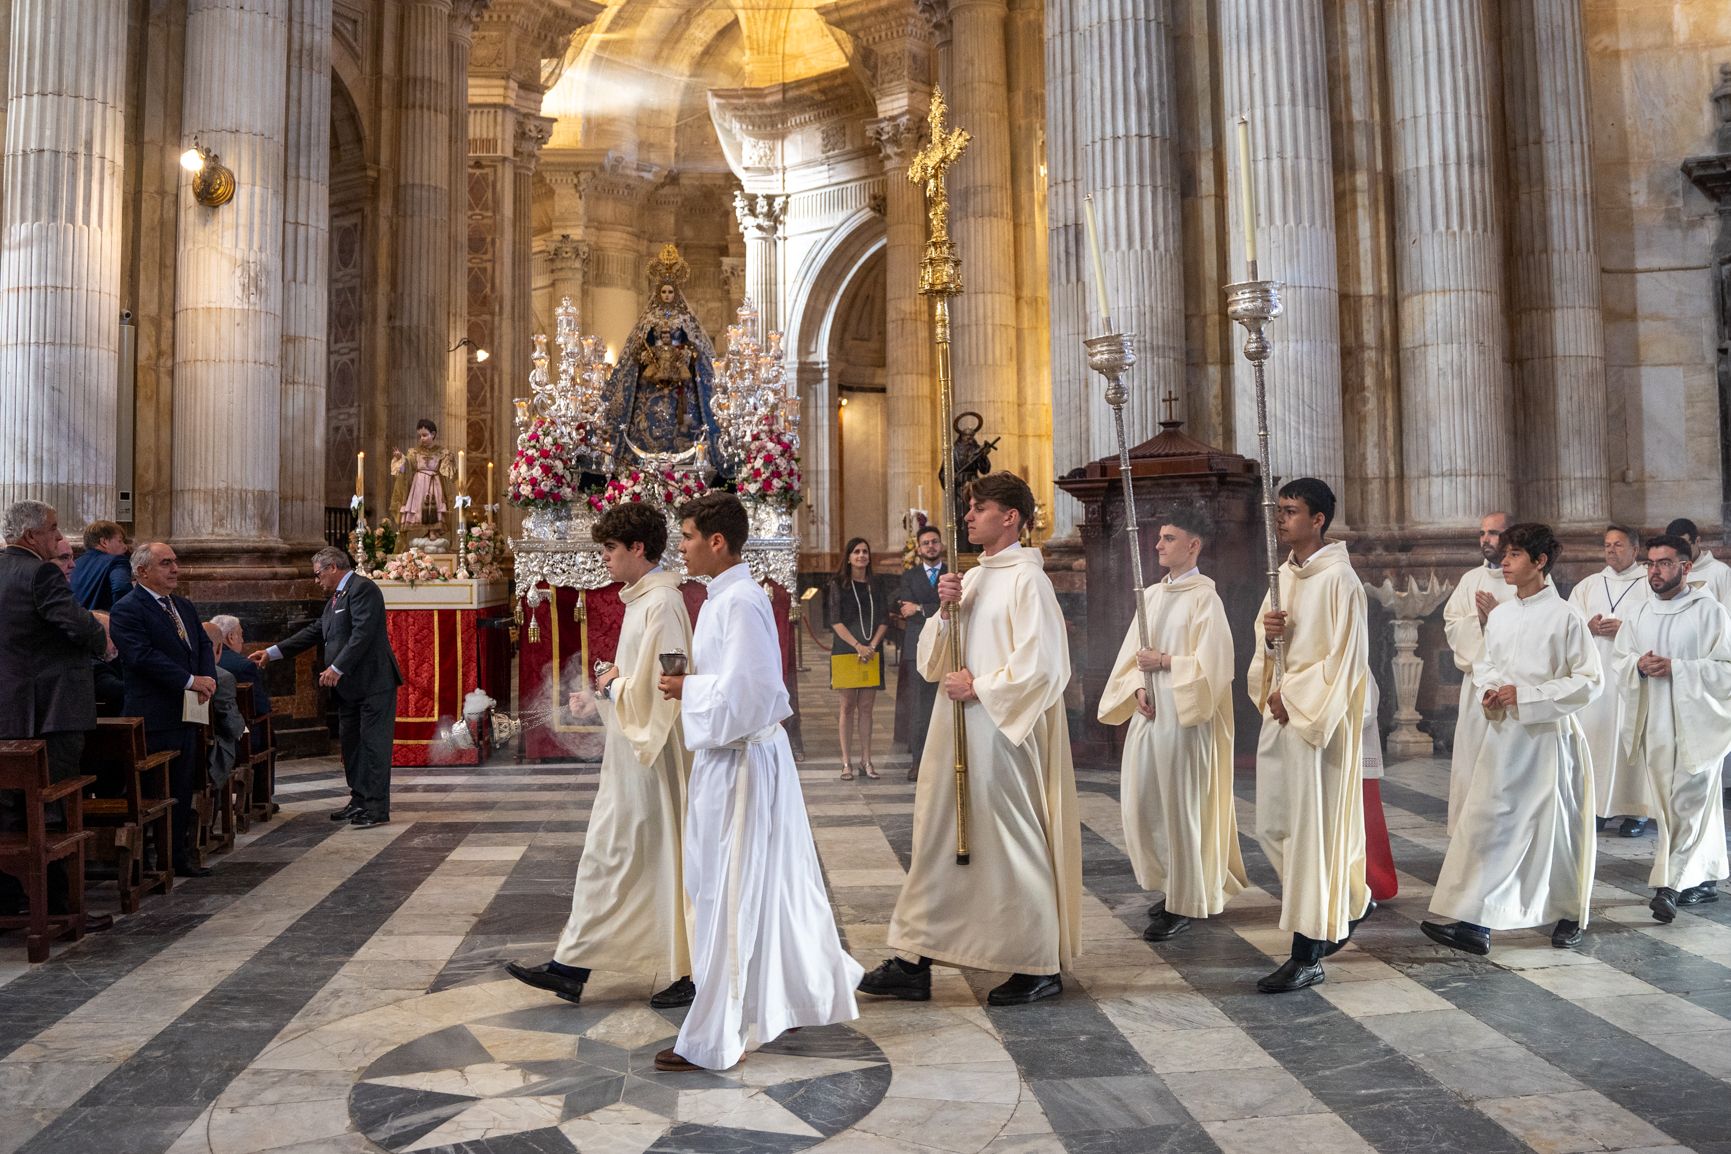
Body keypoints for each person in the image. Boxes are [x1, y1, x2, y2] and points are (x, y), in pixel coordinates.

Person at [652, 492, 861, 1072]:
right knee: (731, 887)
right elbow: (734, 682)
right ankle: (781, 998)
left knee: (729, 893)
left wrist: (686, 690)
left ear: (718, 542)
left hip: (741, 764)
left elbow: (748, 697)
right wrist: (695, 686)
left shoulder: (741, 601)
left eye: (690, 535)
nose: (684, 545)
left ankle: (714, 1036)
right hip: (731, 760)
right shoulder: (724, 597)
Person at [858, 472, 1081, 1007]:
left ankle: (1037, 961)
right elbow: (934, 663)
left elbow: (1047, 668)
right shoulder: (975, 578)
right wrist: (946, 609)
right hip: (954, 730)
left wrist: (981, 687)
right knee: (939, 838)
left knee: (1010, 841)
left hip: (1001, 735)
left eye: (980, 508)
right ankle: (915, 958)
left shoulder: (1030, 580)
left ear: (1011, 518)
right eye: (969, 507)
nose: (969, 516)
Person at [505, 502, 695, 1008]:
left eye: (611, 549)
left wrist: (614, 688)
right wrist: (602, 694)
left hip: (650, 758)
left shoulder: (662, 603)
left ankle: (681, 968)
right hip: (631, 754)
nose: (604, 560)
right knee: (620, 856)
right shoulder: (643, 599)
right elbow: (634, 676)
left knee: (635, 855)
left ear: (638, 548)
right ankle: (574, 965)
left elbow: (669, 684)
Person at [1423, 523, 1601, 956]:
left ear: (1540, 562)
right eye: (1504, 553)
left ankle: (1568, 913)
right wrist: (1490, 689)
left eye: (1515, 554)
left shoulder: (1565, 616)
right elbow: (1486, 664)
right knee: (1489, 823)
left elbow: (1589, 681)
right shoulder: (1500, 615)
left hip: (1547, 738)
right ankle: (1475, 921)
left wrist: (1528, 696)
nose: (1504, 562)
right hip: (1504, 736)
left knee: (1553, 830)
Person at [1096, 507, 1244, 942]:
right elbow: (1130, 657)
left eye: (1168, 538)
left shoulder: (1205, 598)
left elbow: (1216, 667)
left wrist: (1164, 663)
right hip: (1151, 714)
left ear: (1193, 545)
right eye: (1159, 537)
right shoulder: (1153, 596)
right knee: (1147, 803)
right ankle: (1172, 885)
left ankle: (1188, 899)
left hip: (1184, 720)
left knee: (1182, 807)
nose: (1158, 545)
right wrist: (1136, 688)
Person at [1250, 478, 1372, 993]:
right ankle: (1348, 901)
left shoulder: (1340, 580)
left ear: (1318, 519)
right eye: (1279, 510)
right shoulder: (1284, 576)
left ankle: (1307, 953)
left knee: (1311, 837)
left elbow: (1345, 662)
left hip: (1317, 723)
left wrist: (1293, 694)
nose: (1281, 519)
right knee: (1274, 828)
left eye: (1292, 511)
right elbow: (1268, 648)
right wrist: (1268, 638)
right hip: (1281, 717)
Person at [0, 501, 111, 927]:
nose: (57, 535)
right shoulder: (41, 572)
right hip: (51, 712)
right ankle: (61, 905)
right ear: (31, 536)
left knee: (7, 808)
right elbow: (74, 623)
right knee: (56, 807)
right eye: (53, 528)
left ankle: (9, 899)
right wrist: (99, 638)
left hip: (9, 713)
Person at [1611, 534, 1731, 922]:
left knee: (1687, 802)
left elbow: (1727, 669)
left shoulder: (1709, 612)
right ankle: (1707, 877)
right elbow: (1620, 658)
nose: (1655, 571)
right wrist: (1637, 667)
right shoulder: (1640, 612)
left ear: (1686, 567)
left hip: (1701, 724)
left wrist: (1678, 668)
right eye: (1650, 564)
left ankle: (1670, 886)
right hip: (1656, 722)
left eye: (1663, 563)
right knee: (1675, 805)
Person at [251, 547, 403, 828]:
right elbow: (315, 631)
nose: (317, 580)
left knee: (373, 747)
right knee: (352, 746)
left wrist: (337, 667)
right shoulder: (335, 598)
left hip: (373, 683)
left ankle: (376, 808)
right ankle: (359, 801)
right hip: (348, 688)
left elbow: (363, 633)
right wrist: (272, 652)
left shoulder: (363, 589)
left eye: (319, 574)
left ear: (333, 567)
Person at [110, 542, 218, 877]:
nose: (175, 569)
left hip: (187, 709)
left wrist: (208, 679)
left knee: (183, 784)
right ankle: (154, 857)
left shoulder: (181, 605)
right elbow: (141, 657)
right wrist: (189, 680)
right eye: (165, 563)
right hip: (154, 711)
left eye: (175, 562)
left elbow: (201, 644)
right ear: (142, 571)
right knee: (160, 787)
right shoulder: (128, 608)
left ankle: (178, 856)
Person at [1568, 525, 1652, 836]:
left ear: (1635, 548)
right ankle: (1599, 806)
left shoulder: (1649, 583)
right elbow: (1568, 628)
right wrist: (1587, 627)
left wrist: (1625, 629)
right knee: (1597, 741)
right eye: (1607, 545)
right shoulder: (1588, 586)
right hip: (1597, 678)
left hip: (1631, 679)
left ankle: (1637, 812)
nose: (1611, 550)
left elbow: (1657, 626)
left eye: (1618, 544)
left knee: (1631, 740)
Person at [1440, 511, 1516, 833]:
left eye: (1494, 533)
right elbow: (1453, 624)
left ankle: (1503, 826)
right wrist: (1481, 622)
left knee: (1505, 762)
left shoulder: (1528, 579)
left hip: (1513, 685)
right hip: (1477, 686)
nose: (1486, 539)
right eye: (1483, 533)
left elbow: (1537, 628)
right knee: (1473, 757)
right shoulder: (1471, 579)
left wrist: (1497, 618)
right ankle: (1469, 828)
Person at [829, 536, 888, 780]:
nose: (861, 555)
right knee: (847, 707)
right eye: (856, 552)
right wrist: (857, 646)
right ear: (849, 557)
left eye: (865, 551)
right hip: (846, 650)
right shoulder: (837, 584)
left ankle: (866, 759)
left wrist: (871, 646)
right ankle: (846, 762)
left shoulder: (877, 584)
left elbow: (884, 618)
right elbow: (835, 620)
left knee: (866, 708)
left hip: (871, 651)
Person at [895, 525, 946, 780]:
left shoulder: (952, 573)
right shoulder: (910, 576)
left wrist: (922, 608)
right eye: (925, 543)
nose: (931, 547)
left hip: (947, 647)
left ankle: (947, 761)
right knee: (920, 708)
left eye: (934, 542)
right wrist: (934, 608)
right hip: (918, 648)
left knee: (946, 705)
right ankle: (918, 761)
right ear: (919, 548)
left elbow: (954, 606)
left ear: (941, 545)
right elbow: (906, 609)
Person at [201, 622, 247, 788]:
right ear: (219, 648)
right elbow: (230, 723)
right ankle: (217, 805)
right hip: (210, 752)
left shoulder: (179, 673)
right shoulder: (222, 677)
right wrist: (241, 728)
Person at [210, 614, 270, 718]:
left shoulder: (197, 661)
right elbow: (261, 708)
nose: (242, 640)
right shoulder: (245, 667)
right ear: (231, 637)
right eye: (241, 635)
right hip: (240, 729)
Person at [1666, 518, 1731, 610]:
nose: (1680, 552)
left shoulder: (1722, 572)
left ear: (1697, 541)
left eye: (1684, 546)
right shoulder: (1666, 573)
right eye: (1674, 547)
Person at [70, 519, 132, 610]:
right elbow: (121, 588)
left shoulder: (74, 564)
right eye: (120, 541)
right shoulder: (117, 561)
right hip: (103, 622)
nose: (125, 546)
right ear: (104, 542)